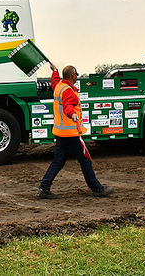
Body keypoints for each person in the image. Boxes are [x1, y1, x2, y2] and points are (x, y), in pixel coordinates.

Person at [36, 63, 114, 199]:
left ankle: (44, 188)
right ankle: (96, 188)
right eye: (76, 74)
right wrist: (72, 114)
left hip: (60, 133)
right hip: (71, 133)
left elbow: (54, 81)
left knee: (58, 161)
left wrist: (55, 71)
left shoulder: (59, 86)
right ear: (72, 76)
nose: (77, 76)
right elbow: (67, 106)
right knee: (85, 160)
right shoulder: (68, 91)